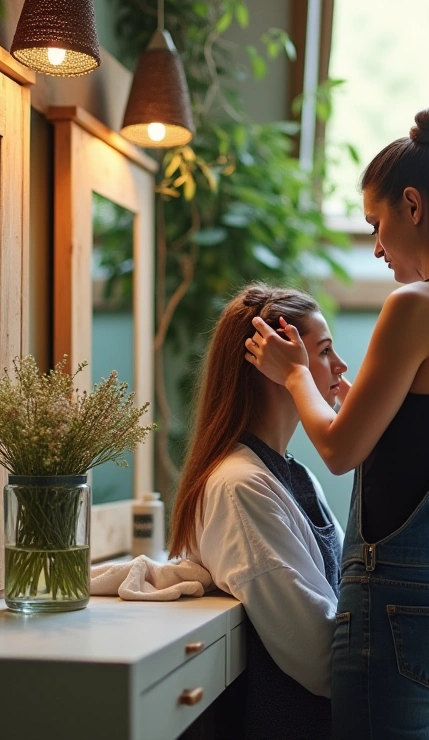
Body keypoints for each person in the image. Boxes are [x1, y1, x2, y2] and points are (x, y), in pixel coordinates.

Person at [245, 107, 429, 739]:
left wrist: (294, 373)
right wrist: (352, 401)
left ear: (412, 205)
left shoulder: (414, 304)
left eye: (377, 223)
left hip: (402, 608)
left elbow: (340, 451)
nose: (375, 246)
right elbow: (422, 441)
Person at [169, 284, 349, 739]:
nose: (341, 366)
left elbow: (350, 583)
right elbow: (317, 655)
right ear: (276, 361)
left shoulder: (296, 474)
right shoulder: (240, 487)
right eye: (325, 350)